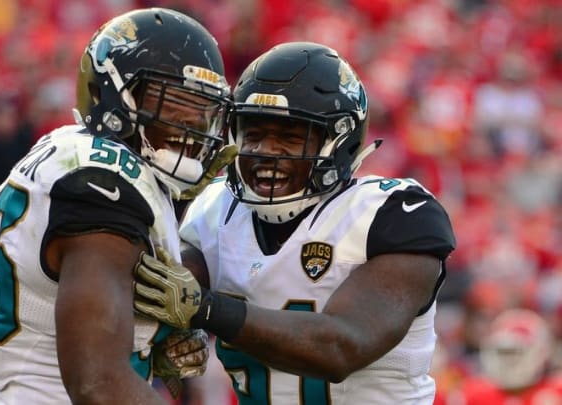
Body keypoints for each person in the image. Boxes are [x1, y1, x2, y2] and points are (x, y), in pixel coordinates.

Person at [132, 42, 457, 404]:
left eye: (289, 137)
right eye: (253, 135)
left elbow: (341, 347)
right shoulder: (215, 208)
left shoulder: (392, 213)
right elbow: (163, 290)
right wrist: (165, 337)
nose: (266, 152)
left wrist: (206, 310)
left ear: (338, 142)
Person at [0, 8, 237, 404]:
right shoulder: (103, 179)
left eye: (200, 114)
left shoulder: (84, 156)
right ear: (109, 95)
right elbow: (98, 383)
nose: (188, 129)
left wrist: (146, 337)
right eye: (171, 107)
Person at [454, 308, 562, 404]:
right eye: (502, 352)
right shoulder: (473, 394)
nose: (509, 360)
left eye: (516, 353)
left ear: (541, 353)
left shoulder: (555, 392)